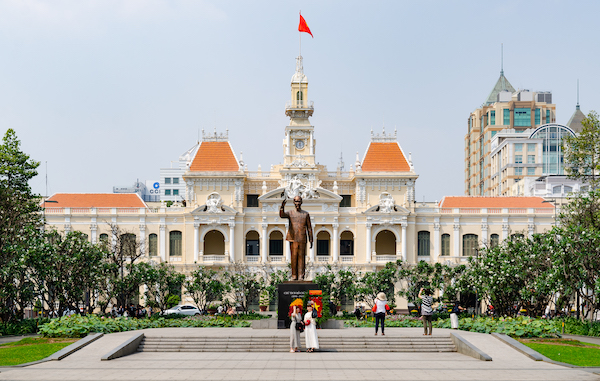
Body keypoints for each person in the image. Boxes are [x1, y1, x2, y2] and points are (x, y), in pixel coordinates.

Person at [279, 196, 313, 281]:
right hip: (293, 238)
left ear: (301, 202)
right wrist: (282, 206)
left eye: (299, 201)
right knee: (293, 257)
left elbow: (309, 227)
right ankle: (294, 275)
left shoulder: (305, 214)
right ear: (293, 203)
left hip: (302, 238)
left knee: (301, 258)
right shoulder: (290, 213)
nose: (297, 203)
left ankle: (301, 275)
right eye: (296, 201)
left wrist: (311, 239)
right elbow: (282, 215)